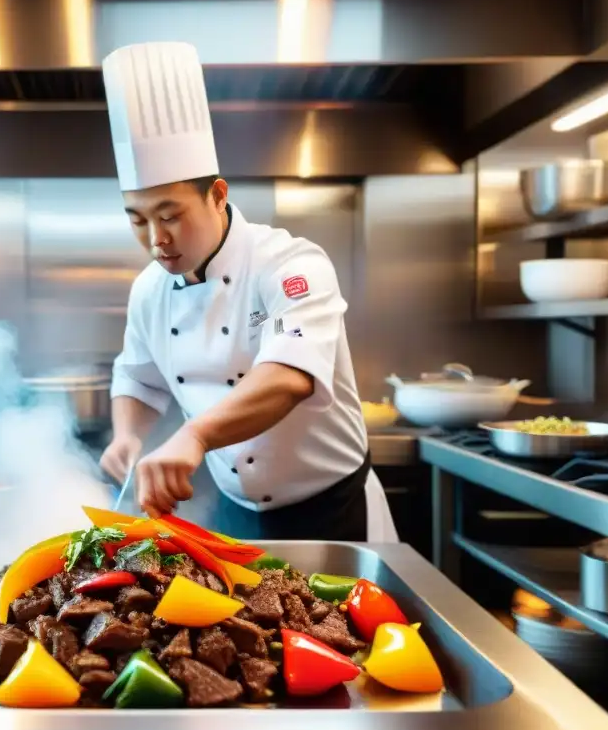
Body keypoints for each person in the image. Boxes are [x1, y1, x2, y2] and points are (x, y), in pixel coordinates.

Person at [98, 42, 397, 542]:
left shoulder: (290, 264)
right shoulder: (149, 290)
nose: (156, 240)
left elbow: (289, 376)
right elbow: (137, 378)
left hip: (335, 512)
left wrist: (195, 434)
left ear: (217, 195)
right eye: (138, 220)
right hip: (236, 517)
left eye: (170, 216)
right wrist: (127, 435)